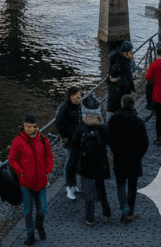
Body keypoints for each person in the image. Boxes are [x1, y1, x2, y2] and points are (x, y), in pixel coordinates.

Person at [8, 113, 53, 244]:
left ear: (36, 126)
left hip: (41, 181)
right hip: (26, 182)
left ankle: (39, 225)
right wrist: (21, 172)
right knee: (27, 211)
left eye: (32, 127)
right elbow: (12, 159)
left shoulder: (43, 140)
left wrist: (47, 169)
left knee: (43, 209)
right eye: (27, 126)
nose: (30, 130)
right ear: (24, 126)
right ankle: (30, 234)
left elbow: (49, 155)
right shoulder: (18, 141)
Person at [68, 94, 111, 226]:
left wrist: (71, 172)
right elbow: (110, 143)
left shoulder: (80, 129)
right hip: (100, 165)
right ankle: (106, 213)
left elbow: (74, 152)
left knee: (88, 193)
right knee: (101, 190)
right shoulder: (103, 128)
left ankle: (89, 218)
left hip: (85, 166)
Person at [107, 93, 148, 224]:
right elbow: (145, 143)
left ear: (122, 104)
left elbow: (109, 139)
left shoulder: (113, 119)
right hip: (134, 159)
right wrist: (138, 155)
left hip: (119, 157)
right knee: (132, 185)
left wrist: (114, 151)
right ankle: (130, 211)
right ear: (133, 105)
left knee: (120, 184)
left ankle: (124, 209)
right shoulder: (139, 122)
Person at [54, 87, 82, 200]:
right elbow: (58, 124)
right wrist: (66, 136)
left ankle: (73, 184)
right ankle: (69, 187)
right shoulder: (64, 107)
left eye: (80, 96)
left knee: (74, 161)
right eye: (77, 97)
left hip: (77, 137)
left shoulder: (75, 105)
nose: (80, 99)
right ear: (71, 96)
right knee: (70, 162)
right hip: (70, 139)